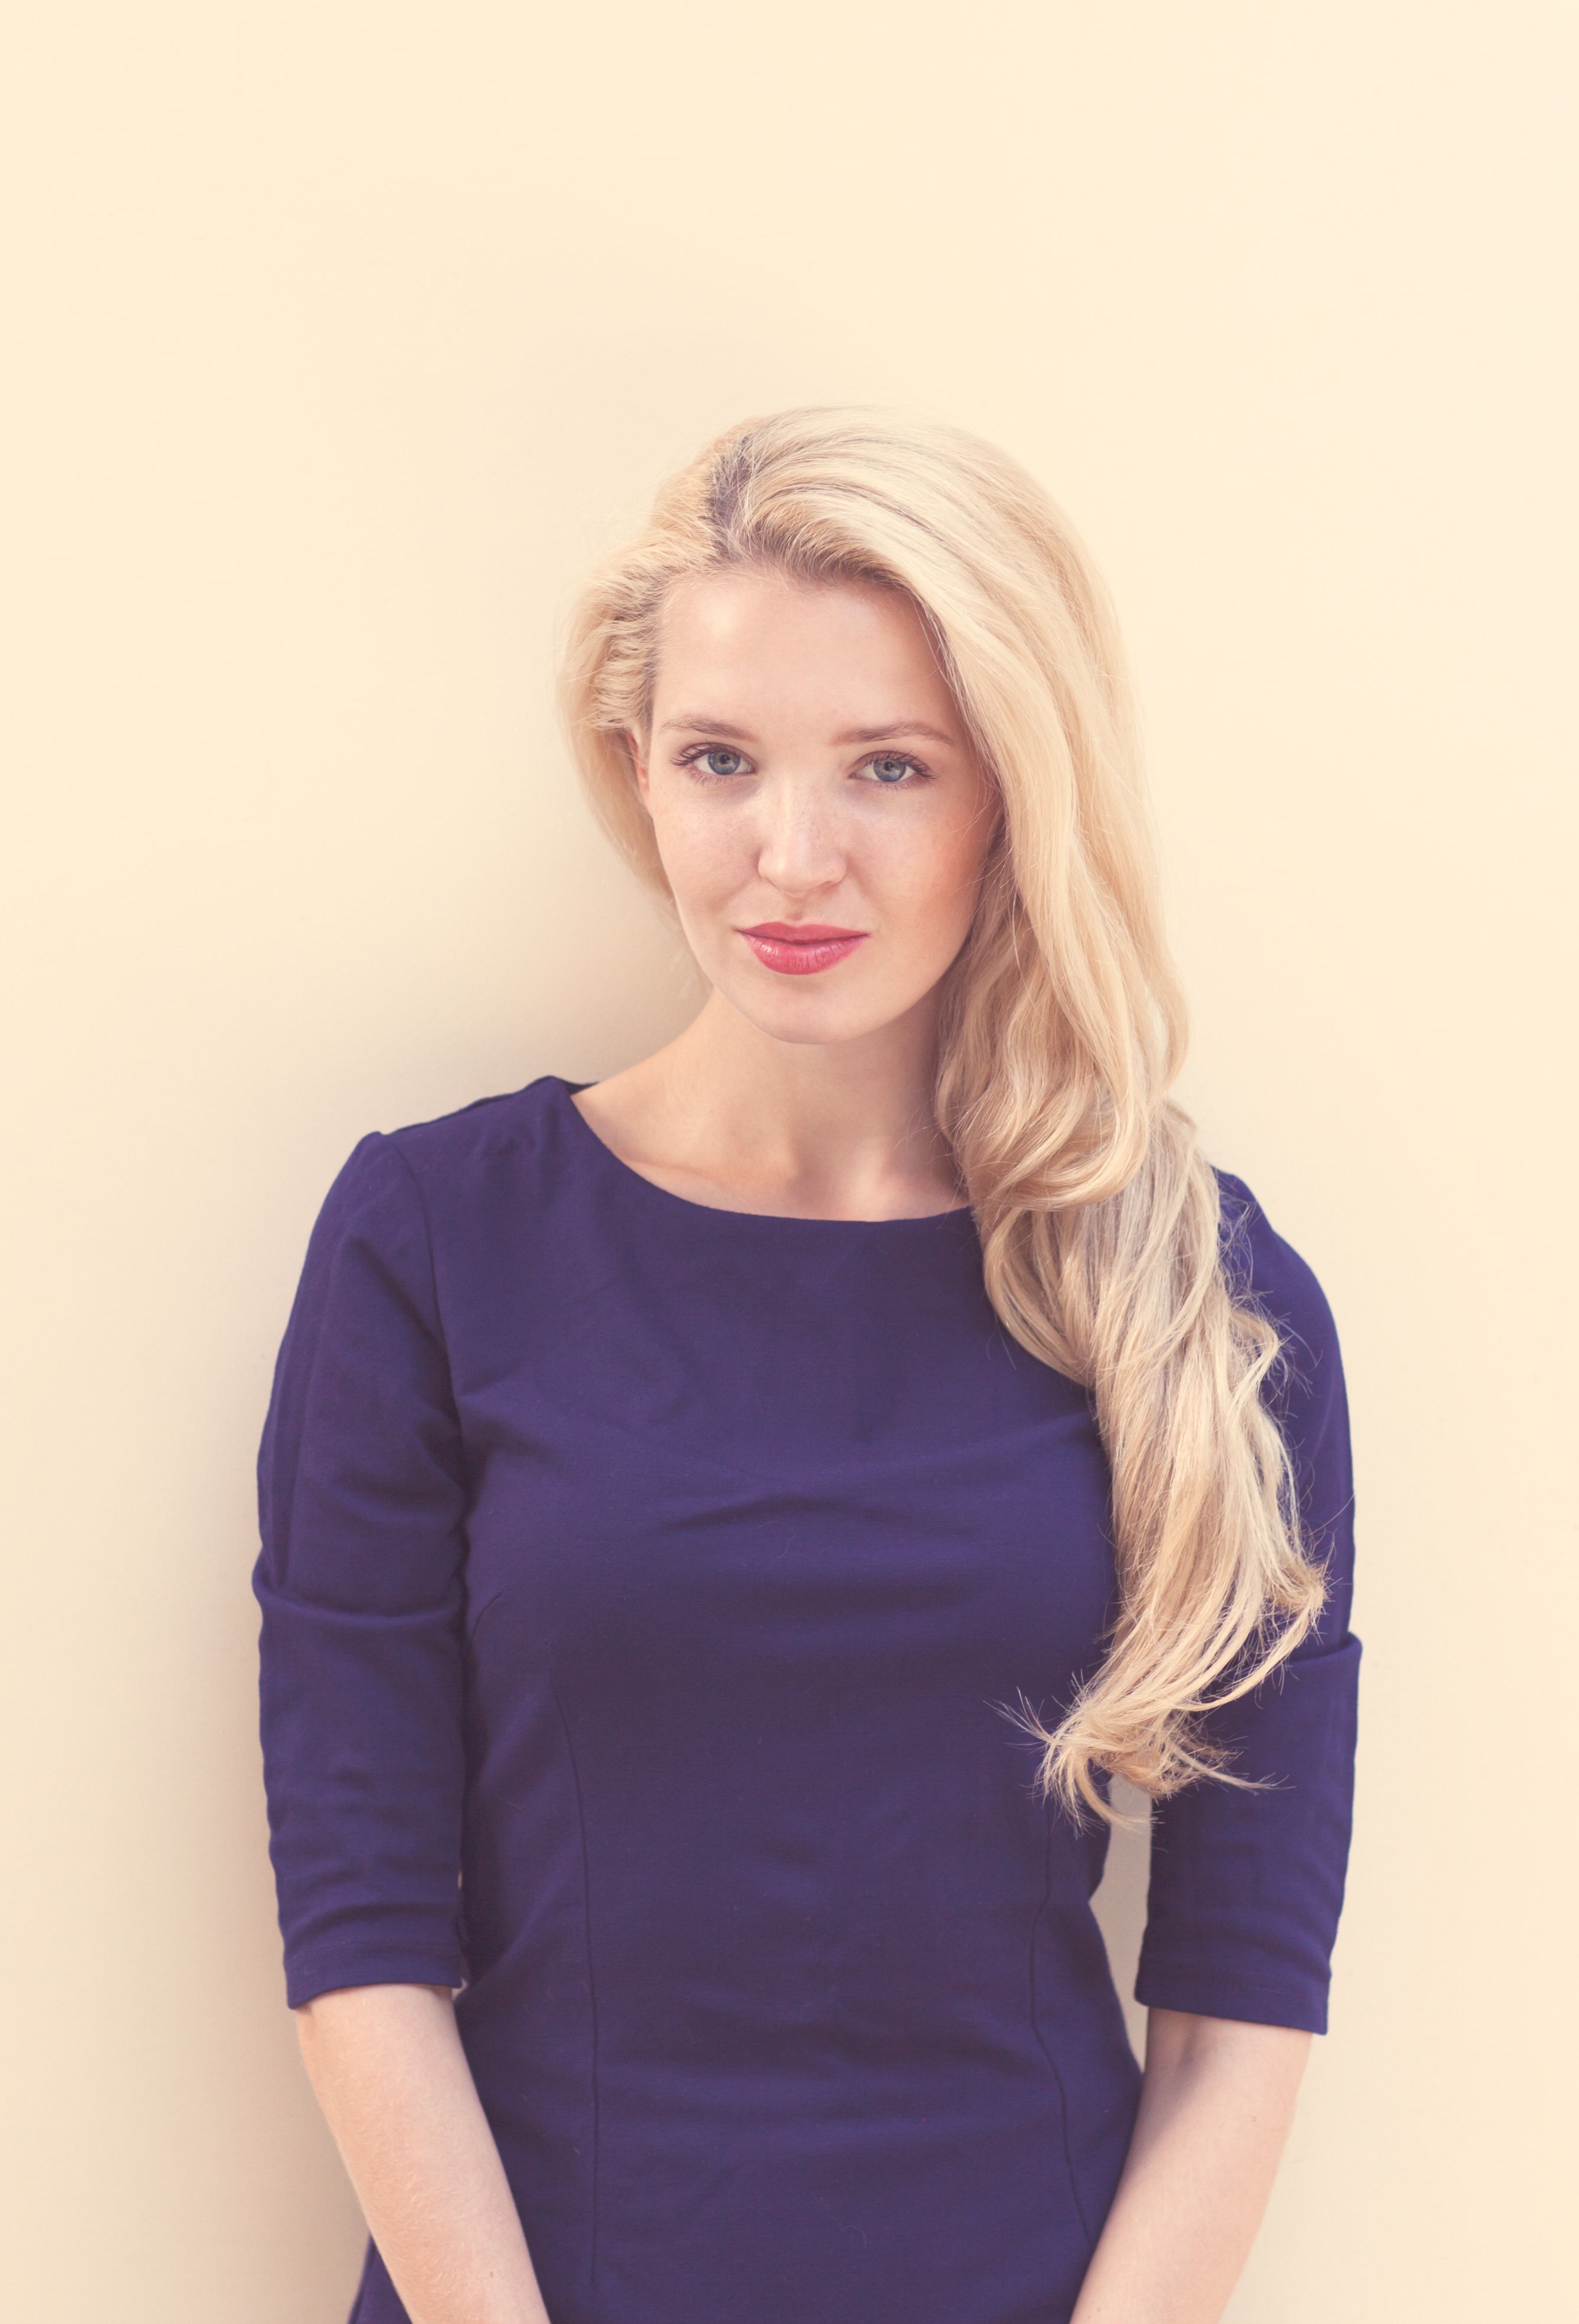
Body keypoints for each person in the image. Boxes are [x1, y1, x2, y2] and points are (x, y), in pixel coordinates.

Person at [251, 408, 1361, 2324]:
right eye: (723, 761)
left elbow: (1240, 2005)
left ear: (1008, 794)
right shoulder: (434, 1246)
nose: (792, 855)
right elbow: (360, 1937)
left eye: (888, 768)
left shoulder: (1205, 1303)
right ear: (640, 776)